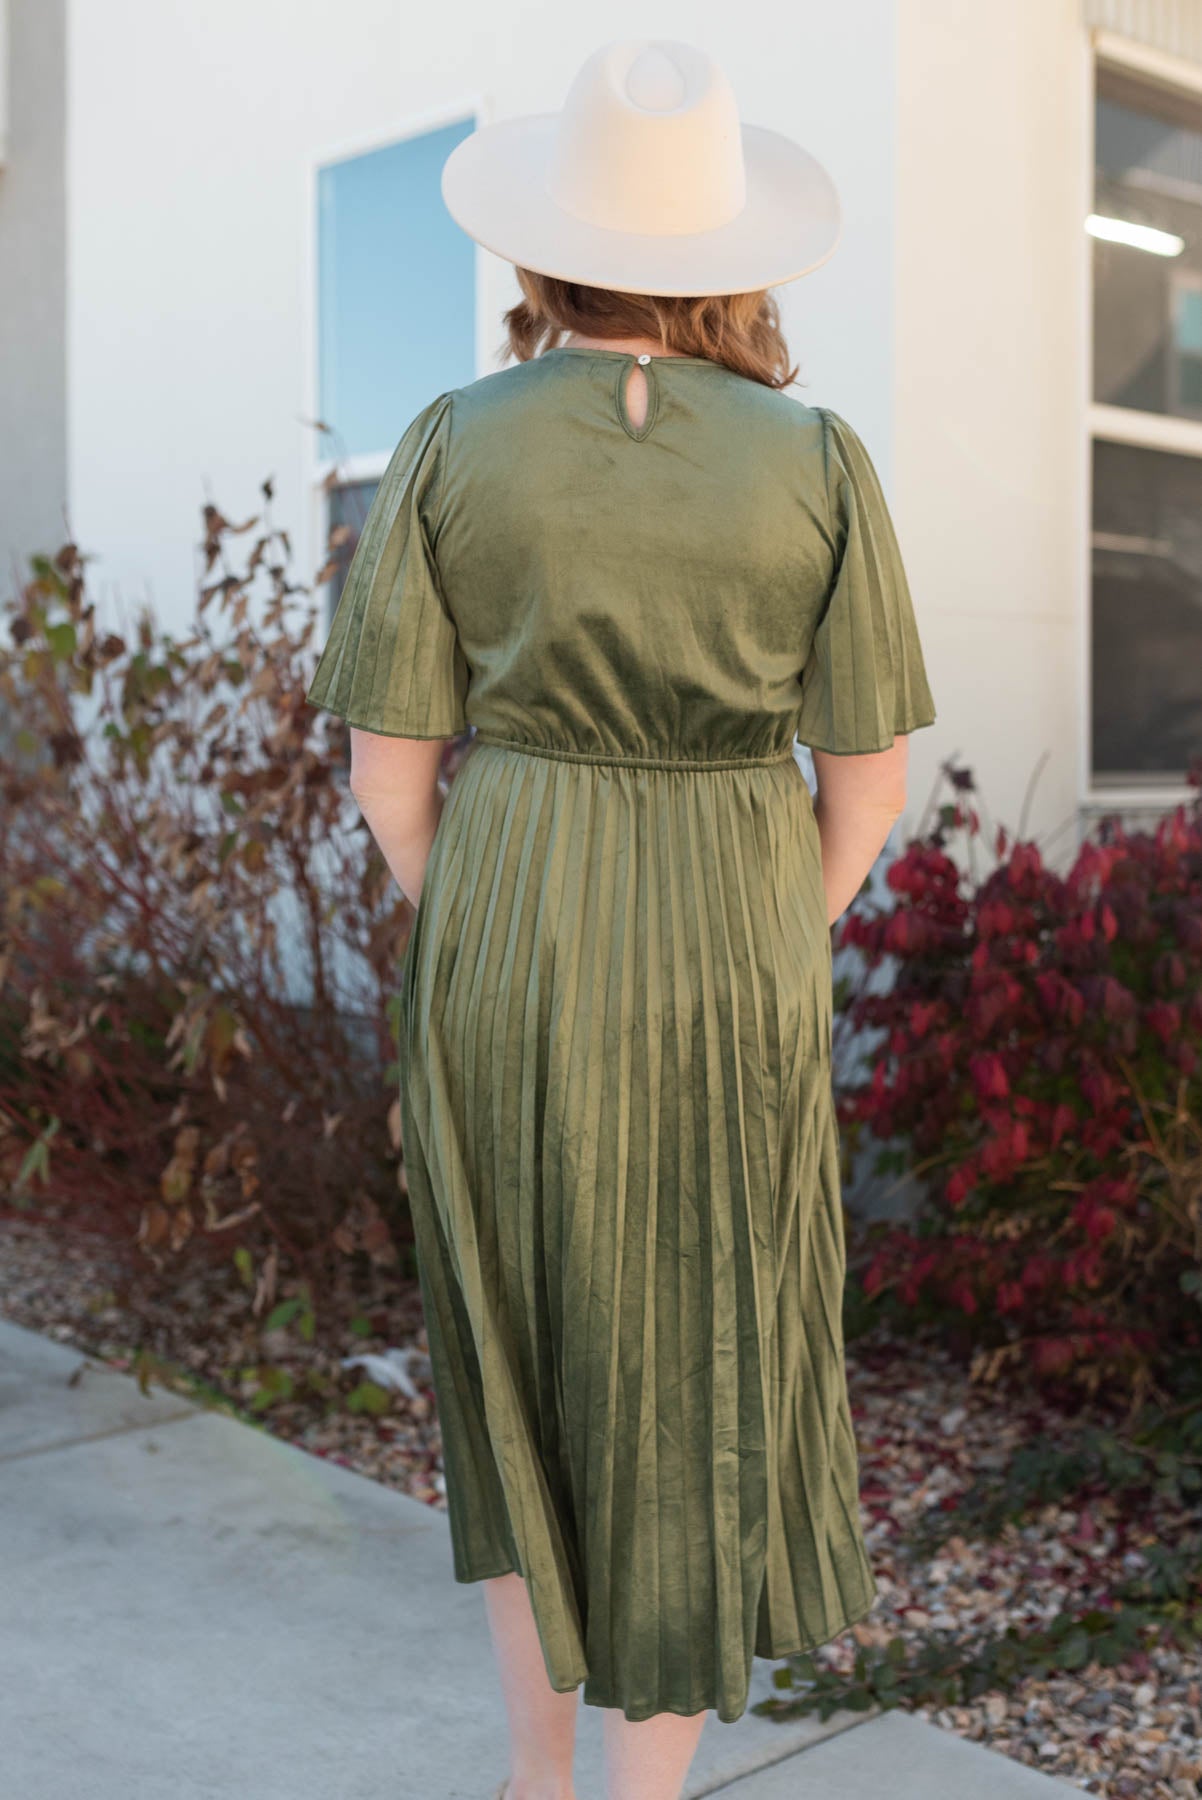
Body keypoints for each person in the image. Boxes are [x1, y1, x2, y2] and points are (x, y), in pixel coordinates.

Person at [306, 35, 937, 1800]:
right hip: (735, 945)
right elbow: (864, 786)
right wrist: (762, 931)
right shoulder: (815, 459)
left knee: (515, 1345)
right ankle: (646, 1790)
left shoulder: (446, 441)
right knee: (700, 1349)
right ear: (727, 251)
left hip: (505, 931)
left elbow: (386, 778)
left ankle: (535, 1777)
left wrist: (496, 922)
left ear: (544, 248)